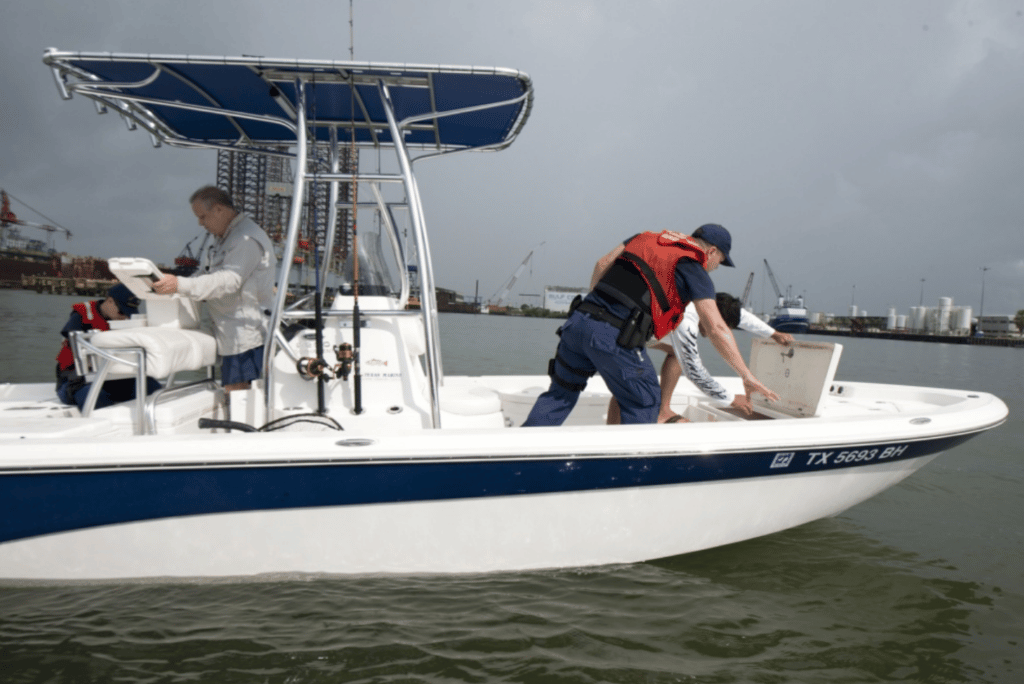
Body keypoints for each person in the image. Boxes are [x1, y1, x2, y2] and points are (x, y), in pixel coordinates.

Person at [521, 224, 778, 426]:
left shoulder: (643, 237)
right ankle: (627, 475)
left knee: (560, 394)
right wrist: (746, 375)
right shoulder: (694, 268)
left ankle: (522, 456)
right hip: (614, 335)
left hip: (578, 322)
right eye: (720, 262)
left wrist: (598, 309)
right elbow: (716, 328)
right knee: (646, 401)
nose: (715, 268)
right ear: (711, 252)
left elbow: (602, 264)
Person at [151, 186, 277, 392]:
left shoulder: (246, 239)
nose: (200, 223)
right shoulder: (224, 237)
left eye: (203, 216)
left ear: (219, 209)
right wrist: (176, 286)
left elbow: (229, 280)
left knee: (238, 393)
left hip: (245, 333)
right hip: (228, 329)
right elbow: (206, 273)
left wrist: (180, 284)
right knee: (234, 391)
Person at [607, 292, 794, 424]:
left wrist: (773, 333)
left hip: (635, 333)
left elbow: (741, 316)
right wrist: (730, 399)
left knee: (675, 353)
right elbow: (694, 372)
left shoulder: (704, 302)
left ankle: (662, 410)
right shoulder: (687, 320)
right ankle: (612, 442)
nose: (717, 332)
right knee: (628, 387)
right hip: (612, 335)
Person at [55, 283, 161, 410]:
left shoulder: (124, 322)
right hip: (77, 382)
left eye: (129, 313)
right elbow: (75, 344)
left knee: (153, 388)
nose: (125, 317)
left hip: (113, 379)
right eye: (122, 311)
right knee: (95, 398)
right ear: (110, 301)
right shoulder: (81, 317)